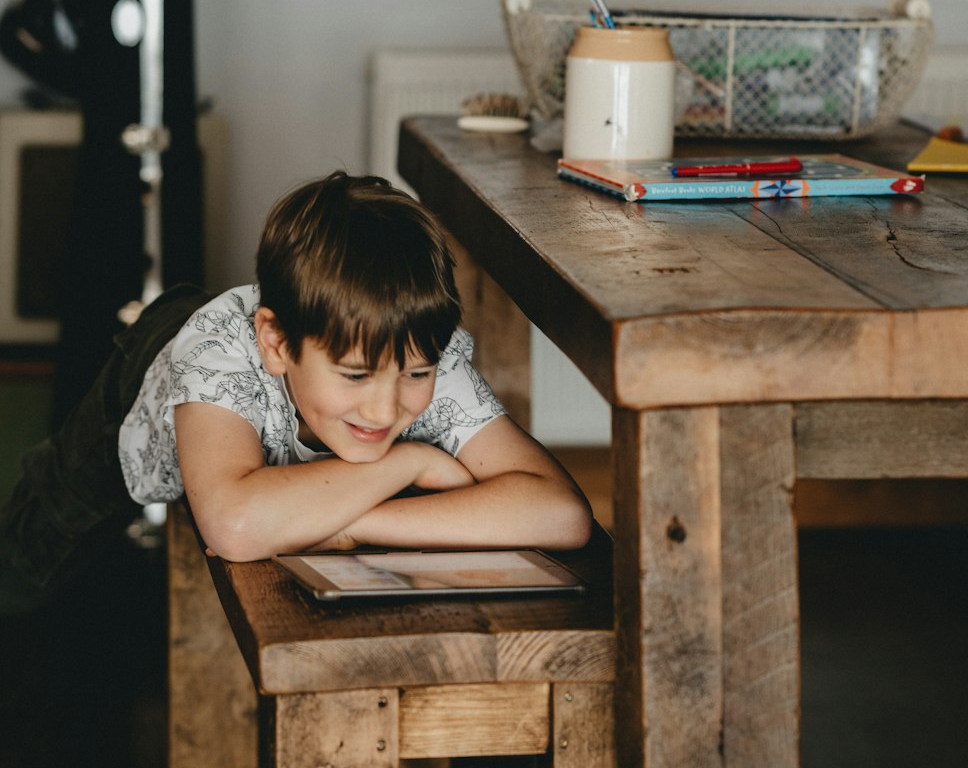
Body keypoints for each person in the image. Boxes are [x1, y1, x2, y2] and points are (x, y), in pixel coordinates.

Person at [0, 172, 592, 613]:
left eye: (416, 375)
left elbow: (562, 516)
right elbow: (235, 526)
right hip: (148, 380)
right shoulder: (216, 355)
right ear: (278, 344)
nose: (387, 408)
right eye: (356, 376)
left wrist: (363, 523)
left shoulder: (408, 344)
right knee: (30, 563)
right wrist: (411, 460)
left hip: (261, 349)